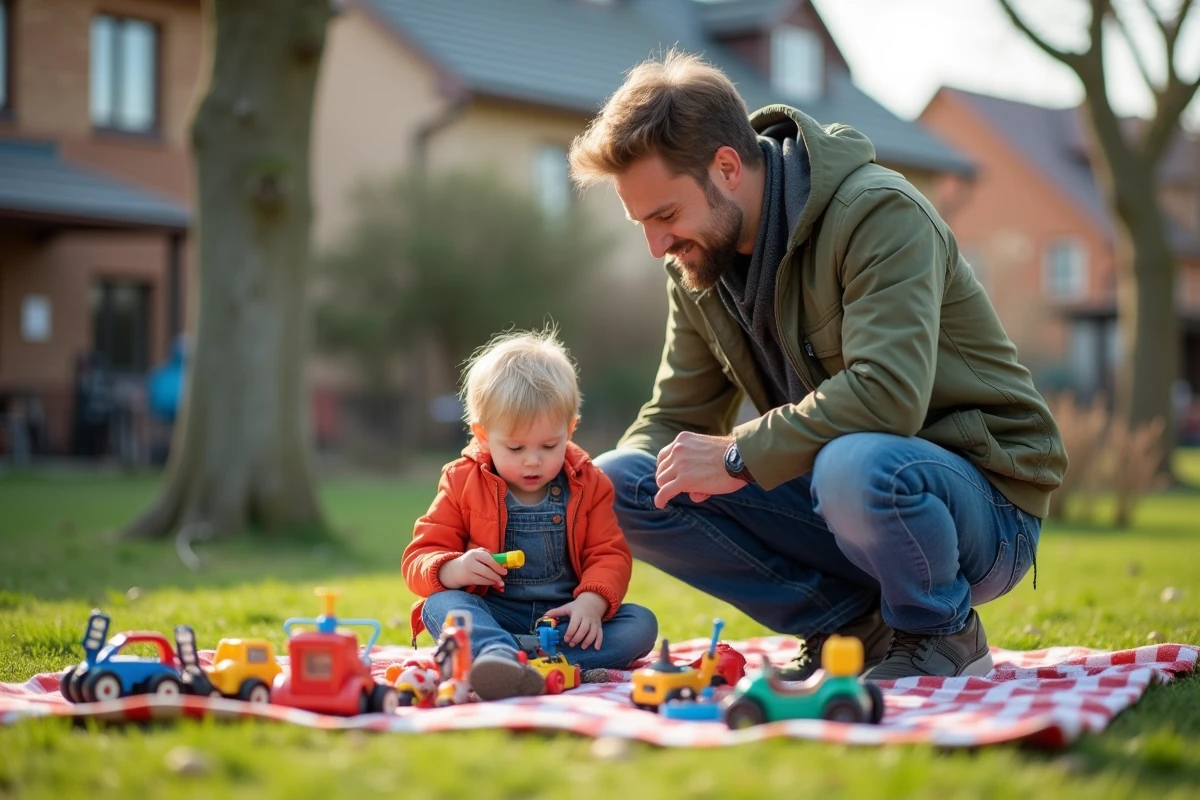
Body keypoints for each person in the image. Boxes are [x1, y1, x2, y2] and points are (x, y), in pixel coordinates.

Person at [567, 51, 1067, 681]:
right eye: (642, 223)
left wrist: (734, 455)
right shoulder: (698, 263)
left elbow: (887, 396)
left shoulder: (877, 213)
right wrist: (570, 517)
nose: (656, 245)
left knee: (853, 462)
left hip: (982, 503)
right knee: (617, 484)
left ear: (726, 166)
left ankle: (941, 629)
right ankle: (850, 626)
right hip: (842, 492)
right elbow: (674, 417)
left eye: (665, 216)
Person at [402, 328, 658, 700]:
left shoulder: (589, 483)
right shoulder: (461, 480)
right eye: (516, 447)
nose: (533, 460)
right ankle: (497, 654)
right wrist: (452, 569)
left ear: (570, 429)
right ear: (484, 436)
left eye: (550, 445)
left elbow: (609, 553)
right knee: (441, 605)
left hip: (565, 622)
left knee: (640, 624)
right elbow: (418, 557)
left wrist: (592, 601)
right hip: (493, 614)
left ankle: (530, 664)